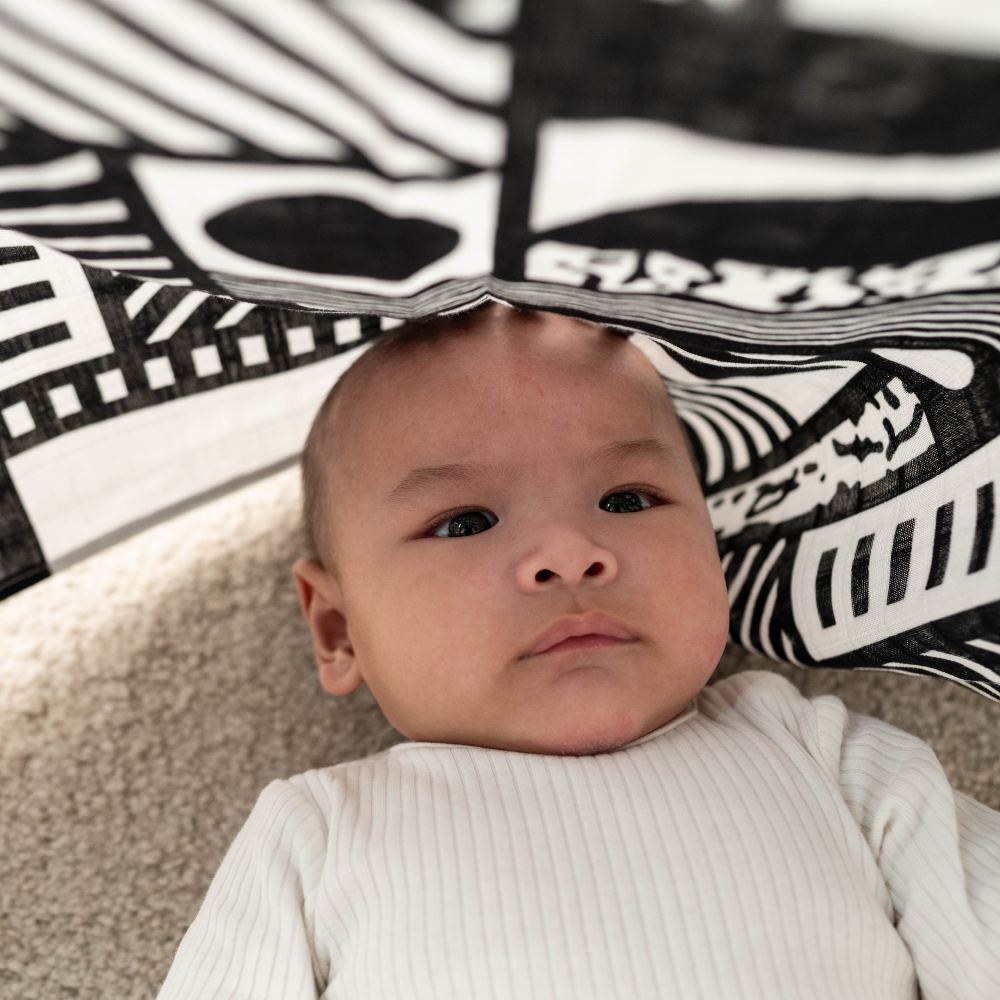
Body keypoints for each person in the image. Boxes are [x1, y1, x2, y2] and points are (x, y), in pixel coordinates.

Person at [156, 301, 1000, 999]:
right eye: (466, 521)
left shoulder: (817, 753)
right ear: (339, 630)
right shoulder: (322, 829)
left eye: (629, 497)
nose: (569, 549)